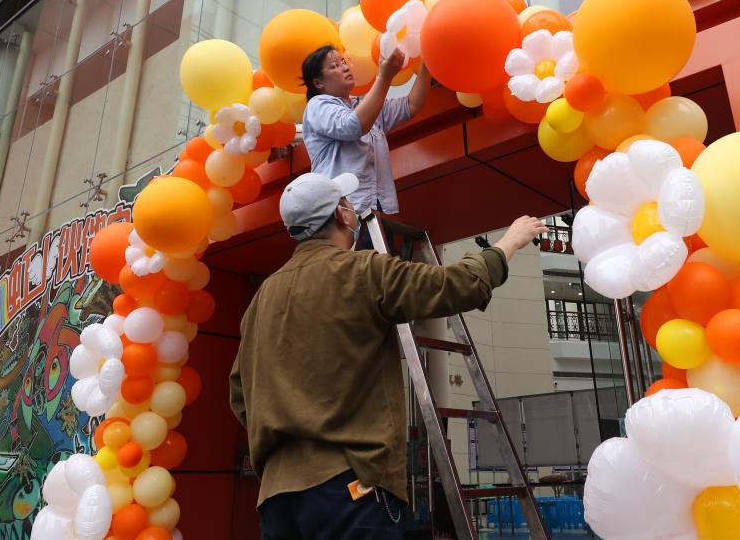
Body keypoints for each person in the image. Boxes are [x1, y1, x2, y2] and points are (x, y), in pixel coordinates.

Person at [229, 172, 547, 539]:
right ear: (341, 215)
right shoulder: (361, 270)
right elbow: (455, 286)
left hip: (277, 497)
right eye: (347, 203)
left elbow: (240, 395)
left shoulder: (262, 297)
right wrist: (509, 242)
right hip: (350, 484)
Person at [300, 45, 431, 225]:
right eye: (334, 66)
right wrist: (384, 77)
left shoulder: (364, 106)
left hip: (382, 209)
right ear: (318, 83)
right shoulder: (317, 105)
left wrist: (427, 63)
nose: (345, 67)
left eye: (344, 61)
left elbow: (411, 105)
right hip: (344, 214)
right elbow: (352, 126)